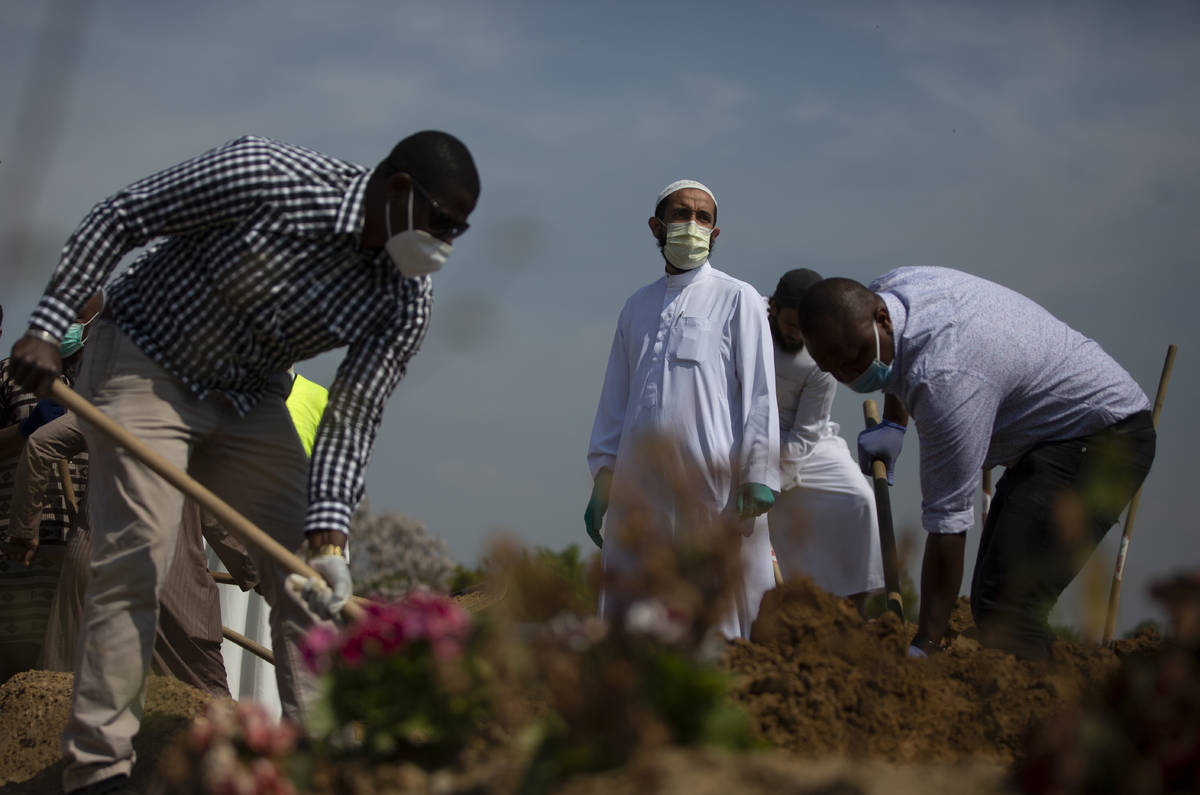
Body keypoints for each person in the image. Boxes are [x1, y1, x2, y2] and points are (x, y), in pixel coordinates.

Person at [6, 131, 479, 794]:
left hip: (249, 393)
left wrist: (331, 534)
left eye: (461, 228)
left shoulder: (405, 297)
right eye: (444, 223)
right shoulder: (268, 175)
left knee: (308, 576)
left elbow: (351, 422)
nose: (448, 244)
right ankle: (99, 768)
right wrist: (48, 324)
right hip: (148, 357)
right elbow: (122, 216)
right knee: (135, 552)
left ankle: (321, 759)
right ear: (397, 191)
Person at [797, 267, 1155, 660]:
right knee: (995, 596)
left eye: (855, 359)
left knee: (1008, 608)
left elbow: (948, 524)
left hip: (1105, 439)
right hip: (1056, 439)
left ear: (881, 319)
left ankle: (1057, 706)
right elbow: (900, 360)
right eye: (833, 370)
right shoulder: (892, 291)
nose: (850, 376)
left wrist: (926, 644)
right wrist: (894, 425)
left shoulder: (946, 381)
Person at [585, 179, 779, 640]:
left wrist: (760, 473)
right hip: (640, 481)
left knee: (718, 598)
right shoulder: (636, 307)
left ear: (714, 234)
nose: (692, 224)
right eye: (681, 214)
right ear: (657, 226)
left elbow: (760, 392)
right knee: (637, 600)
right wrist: (604, 476)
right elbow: (616, 399)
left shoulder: (738, 298)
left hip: (712, 483)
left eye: (703, 217)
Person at [765, 269, 883, 615]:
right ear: (772, 309)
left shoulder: (820, 354)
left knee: (860, 499)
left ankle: (856, 612)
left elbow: (806, 432)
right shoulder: (748, 322)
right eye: (789, 325)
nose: (797, 335)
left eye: (804, 328)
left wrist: (772, 482)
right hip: (749, 437)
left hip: (808, 443)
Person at [0, 296, 98, 682]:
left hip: (82, 562)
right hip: (18, 563)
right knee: (16, 682)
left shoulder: (110, 390)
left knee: (69, 683)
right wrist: (25, 430)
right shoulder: (11, 375)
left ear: (94, 325)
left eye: (75, 316)